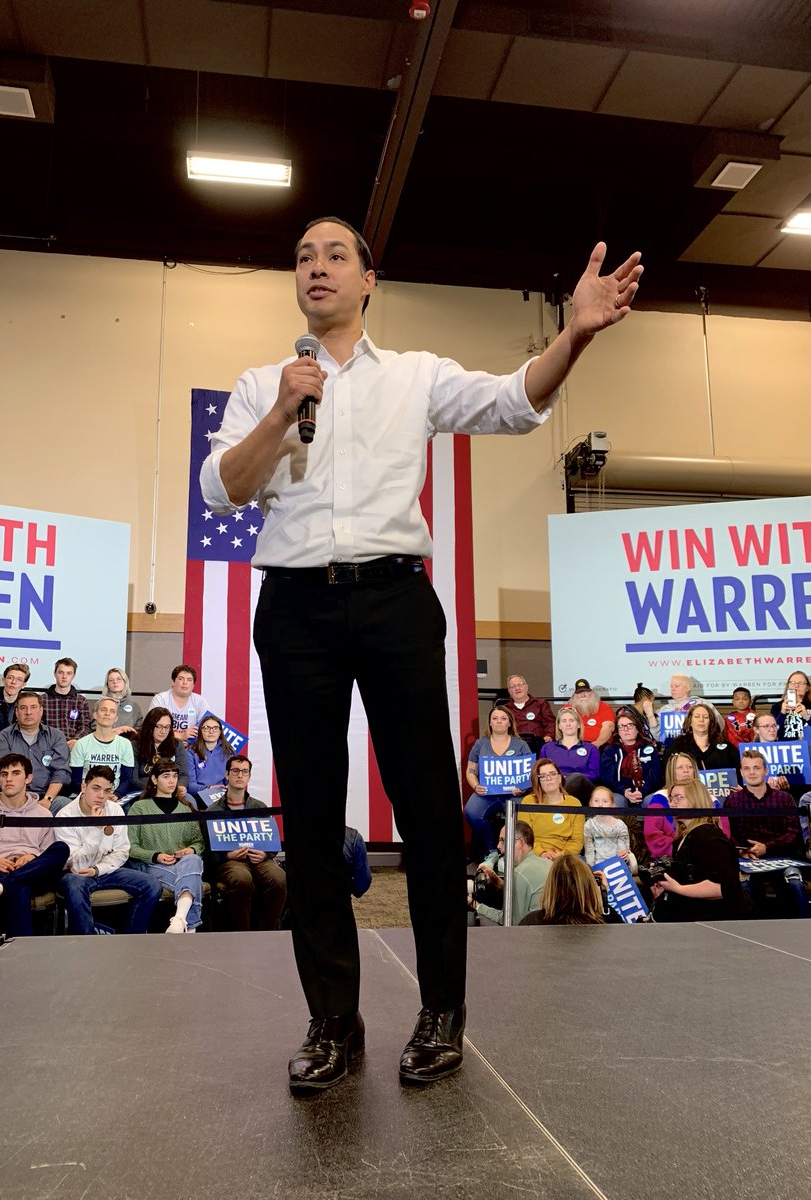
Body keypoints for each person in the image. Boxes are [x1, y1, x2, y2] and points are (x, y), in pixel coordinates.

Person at [199, 213, 642, 1090]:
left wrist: (576, 335)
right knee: (312, 821)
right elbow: (224, 489)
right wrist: (284, 408)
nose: (317, 267)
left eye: (336, 255)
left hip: (396, 601)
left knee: (432, 814)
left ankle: (441, 1011)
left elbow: (513, 401)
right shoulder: (261, 385)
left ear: (368, 280)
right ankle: (334, 1020)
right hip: (295, 608)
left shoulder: (414, 375)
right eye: (303, 257)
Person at [0, 754, 70, 937]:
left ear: (28, 778)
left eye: (15, 773)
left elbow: (49, 858)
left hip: (33, 872)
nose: (9, 779)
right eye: (4, 774)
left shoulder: (43, 814)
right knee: (19, 888)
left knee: (61, 848)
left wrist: (34, 858)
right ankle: (22, 950)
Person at [58, 766, 161, 935]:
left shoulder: (115, 809)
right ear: (84, 787)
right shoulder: (65, 816)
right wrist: (96, 829)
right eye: (96, 788)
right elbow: (76, 864)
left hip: (105, 870)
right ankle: (86, 943)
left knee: (152, 885)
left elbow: (122, 851)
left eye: (107, 791)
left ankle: (131, 939)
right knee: (74, 886)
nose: (101, 796)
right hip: (77, 874)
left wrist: (99, 869)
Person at [206, 755, 287, 931]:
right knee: (242, 878)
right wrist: (226, 855)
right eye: (235, 771)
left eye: (244, 772)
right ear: (227, 775)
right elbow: (207, 851)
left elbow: (271, 842)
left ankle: (266, 932)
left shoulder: (260, 807)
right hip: (230, 861)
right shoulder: (213, 810)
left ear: (249, 776)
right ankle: (242, 933)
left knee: (280, 878)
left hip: (259, 859)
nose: (240, 775)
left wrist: (266, 854)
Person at [723, 747, 805, 917]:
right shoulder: (732, 801)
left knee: (794, 882)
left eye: (756, 768)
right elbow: (729, 835)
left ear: (766, 771)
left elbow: (793, 833)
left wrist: (767, 847)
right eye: (747, 768)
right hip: (748, 859)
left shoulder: (784, 798)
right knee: (743, 885)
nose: (752, 772)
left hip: (781, 856)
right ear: (741, 772)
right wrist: (742, 851)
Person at [651, 780, 750, 922]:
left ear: (695, 800)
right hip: (696, 915)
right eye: (671, 799)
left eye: (679, 798)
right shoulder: (683, 836)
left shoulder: (707, 837)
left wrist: (677, 889)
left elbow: (723, 888)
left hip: (721, 920)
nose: (672, 804)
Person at [127, 762, 204, 933]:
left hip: (182, 865)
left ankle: (179, 919)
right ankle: (189, 928)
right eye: (166, 776)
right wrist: (155, 855)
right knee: (193, 881)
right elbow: (130, 847)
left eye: (175, 776)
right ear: (154, 780)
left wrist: (191, 849)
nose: (172, 781)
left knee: (193, 859)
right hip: (150, 865)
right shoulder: (139, 808)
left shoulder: (185, 809)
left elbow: (199, 842)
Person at [465, 705, 532, 854]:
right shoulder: (480, 744)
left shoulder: (521, 745)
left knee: (525, 815)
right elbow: (470, 771)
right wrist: (476, 786)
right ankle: (492, 850)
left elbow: (530, 773)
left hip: (513, 794)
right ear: (490, 722)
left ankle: (517, 852)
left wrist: (522, 788)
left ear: (510, 722)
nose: (499, 721)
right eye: (495, 718)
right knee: (471, 812)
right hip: (486, 794)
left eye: (503, 718)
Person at [0, 691, 71, 810]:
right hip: (13, 798)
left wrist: (47, 799)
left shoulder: (56, 736)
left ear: (41, 711)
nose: (28, 712)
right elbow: (1, 775)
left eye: (33, 707)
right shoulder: (2, 738)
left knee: (64, 803)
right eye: (23, 708)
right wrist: (23, 802)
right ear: (16, 712)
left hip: (46, 797)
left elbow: (61, 772)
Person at [471, 819, 551, 926]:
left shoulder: (519, 873)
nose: (498, 846)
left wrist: (476, 905)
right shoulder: (548, 864)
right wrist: (501, 885)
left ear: (520, 843)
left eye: (503, 840)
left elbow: (510, 921)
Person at [517, 760, 584, 860]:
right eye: (543, 776)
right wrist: (542, 853)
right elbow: (524, 836)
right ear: (538, 781)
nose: (549, 778)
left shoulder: (575, 803)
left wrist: (562, 855)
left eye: (552, 774)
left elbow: (577, 840)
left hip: (566, 858)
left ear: (560, 778)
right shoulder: (528, 801)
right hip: (534, 856)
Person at [69, 698, 136, 798]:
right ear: (95, 715)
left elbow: (127, 780)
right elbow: (75, 781)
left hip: (113, 797)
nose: (107, 714)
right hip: (86, 796)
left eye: (112, 711)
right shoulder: (81, 744)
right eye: (103, 710)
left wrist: (116, 795)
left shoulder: (125, 744)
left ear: (116, 718)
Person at [599, 707, 661, 808]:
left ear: (638, 728)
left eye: (630, 725)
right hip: (619, 792)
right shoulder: (610, 750)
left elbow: (655, 775)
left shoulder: (650, 749)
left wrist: (642, 792)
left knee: (652, 801)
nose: (626, 729)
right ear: (617, 731)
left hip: (646, 792)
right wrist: (624, 792)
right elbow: (608, 777)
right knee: (616, 801)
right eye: (621, 726)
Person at [519, 854, 605, 925]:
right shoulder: (604, 921)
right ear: (591, 886)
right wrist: (603, 894)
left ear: (551, 886)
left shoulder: (531, 922)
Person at [539, 704, 599, 802]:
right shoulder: (547, 747)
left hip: (583, 791)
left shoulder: (591, 748)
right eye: (564, 721)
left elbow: (594, 774)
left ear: (578, 724)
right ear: (559, 726)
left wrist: (567, 777)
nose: (568, 724)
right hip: (554, 785)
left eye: (571, 720)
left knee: (577, 777)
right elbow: (540, 771)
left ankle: (556, 801)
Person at [127, 708, 190, 797]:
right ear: (149, 726)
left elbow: (183, 775)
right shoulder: (135, 745)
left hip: (171, 791)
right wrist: (159, 789)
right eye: (159, 726)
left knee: (190, 800)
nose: (163, 731)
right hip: (143, 790)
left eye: (167, 727)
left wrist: (181, 786)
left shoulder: (177, 744)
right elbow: (133, 780)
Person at [663, 703, 739, 773]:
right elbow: (667, 774)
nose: (701, 720)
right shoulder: (676, 746)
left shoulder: (727, 748)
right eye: (697, 716)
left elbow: (738, 774)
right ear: (690, 721)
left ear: (711, 722)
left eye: (705, 717)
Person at [150, 665, 213, 743]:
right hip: (164, 744)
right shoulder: (160, 699)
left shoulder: (200, 702)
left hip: (191, 746)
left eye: (189, 680)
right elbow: (152, 727)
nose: (185, 683)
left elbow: (207, 728)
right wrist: (180, 736)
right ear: (173, 682)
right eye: (181, 679)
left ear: (193, 685)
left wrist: (190, 741)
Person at [583, 786, 637, 874]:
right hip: (597, 868)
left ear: (612, 804)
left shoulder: (620, 825)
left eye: (605, 801)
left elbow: (623, 852)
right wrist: (592, 872)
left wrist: (624, 856)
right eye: (596, 801)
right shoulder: (589, 825)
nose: (600, 805)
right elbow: (589, 851)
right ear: (591, 803)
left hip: (617, 867)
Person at [42, 657, 92, 750]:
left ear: (74, 676)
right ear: (55, 674)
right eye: (61, 672)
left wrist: (76, 740)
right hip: (48, 746)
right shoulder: (42, 700)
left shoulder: (81, 701)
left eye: (69, 673)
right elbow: (38, 725)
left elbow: (85, 726)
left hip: (73, 747)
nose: (64, 677)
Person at [501, 675, 554, 753]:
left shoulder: (540, 704)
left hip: (538, 745)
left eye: (519, 685)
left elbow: (550, 723)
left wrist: (548, 735)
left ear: (526, 687)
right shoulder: (505, 709)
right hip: (514, 747)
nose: (517, 688)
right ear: (509, 691)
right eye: (513, 686)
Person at [187, 716, 233, 800]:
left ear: (220, 732)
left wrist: (229, 786)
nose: (211, 731)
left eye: (215, 728)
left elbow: (231, 780)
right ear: (200, 731)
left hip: (222, 795)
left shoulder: (228, 752)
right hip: (199, 796)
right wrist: (208, 789)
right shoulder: (190, 752)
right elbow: (190, 786)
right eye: (206, 728)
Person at [569, 679, 615, 749]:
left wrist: (598, 742)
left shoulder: (603, 706)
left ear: (592, 693)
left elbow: (608, 727)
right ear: (575, 695)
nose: (583, 695)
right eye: (579, 693)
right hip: (574, 745)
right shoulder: (568, 708)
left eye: (586, 691)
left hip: (598, 745)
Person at [101, 667, 144, 735]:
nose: (115, 682)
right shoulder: (99, 705)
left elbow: (139, 730)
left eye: (118, 679)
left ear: (125, 682)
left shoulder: (135, 706)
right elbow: (95, 729)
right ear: (107, 685)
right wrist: (115, 731)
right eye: (111, 680)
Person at [773, 671, 811, 740]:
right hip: (785, 744)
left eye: (801, 683)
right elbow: (772, 731)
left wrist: (807, 717)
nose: (796, 686)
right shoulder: (777, 706)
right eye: (793, 683)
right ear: (788, 686)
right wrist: (782, 713)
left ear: (807, 688)